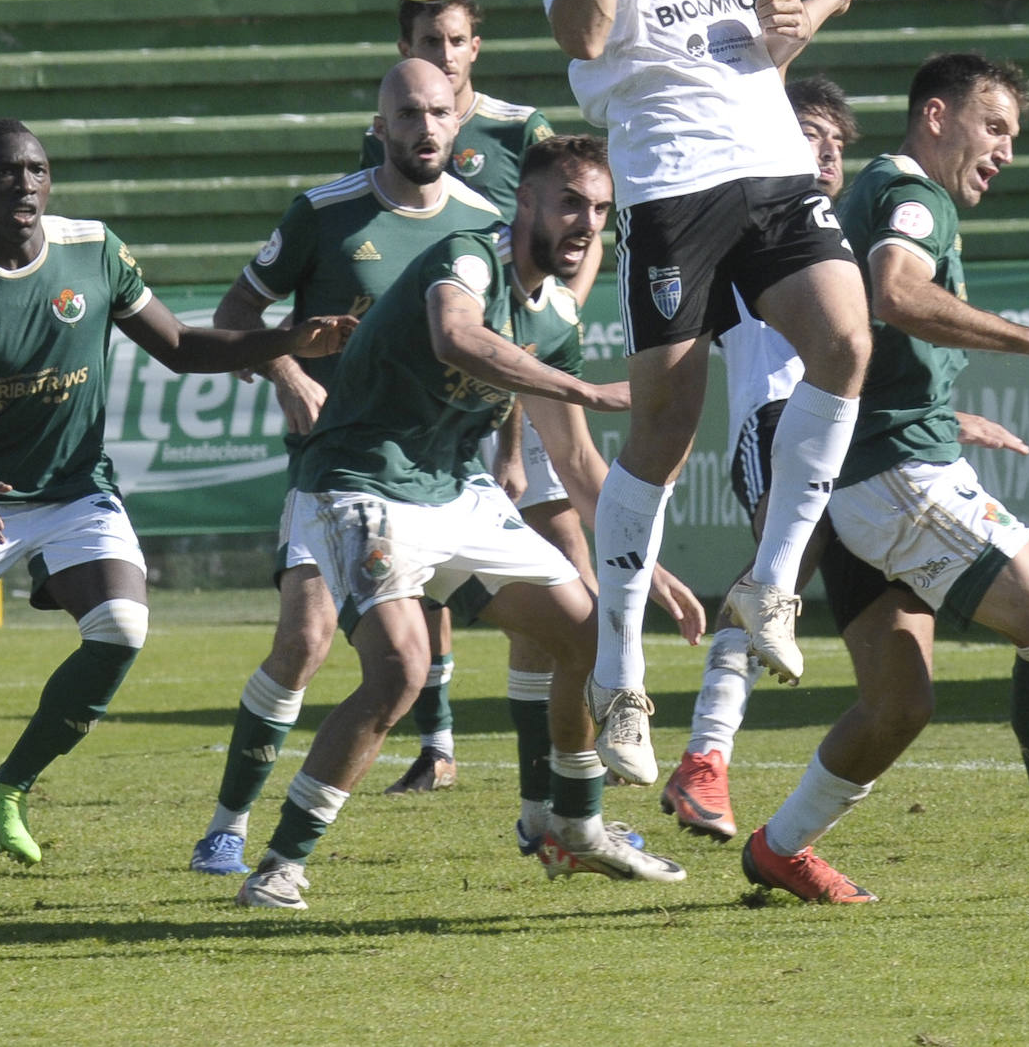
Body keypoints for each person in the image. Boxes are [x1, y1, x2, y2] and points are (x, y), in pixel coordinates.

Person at [0, 120, 356, 887]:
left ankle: (10, 785)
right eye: (5, 173)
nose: (24, 185)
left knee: (122, 628)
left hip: (74, 493)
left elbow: (183, 348)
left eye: (36, 170)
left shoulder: (94, 250)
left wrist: (290, 340)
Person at [741, 52, 1029, 913]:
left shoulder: (876, 188)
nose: (1006, 148)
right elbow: (895, 290)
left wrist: (944, 412)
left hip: (859, 468)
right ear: (936, 116)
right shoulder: (914, 195)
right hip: (896, 474)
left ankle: (779, 846)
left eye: (1013, 133)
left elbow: (872, 324)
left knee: (898, 702)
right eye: (995, 126)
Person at [525, 0, 875, 789]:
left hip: (768, 161)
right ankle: (621, 678)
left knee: (846, 345)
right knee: (665, 433)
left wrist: (782, 25)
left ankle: (770, 587)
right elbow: (586, 40)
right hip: (672, 183)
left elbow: (744, 48)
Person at [234, 133, 695, 910]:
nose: (587, 224)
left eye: (601, 210)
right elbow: (458, 334)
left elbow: (579, 466)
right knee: (400, 671)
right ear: (526, 204)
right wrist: (584, 391)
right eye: (570, 203)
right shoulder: (472, 255)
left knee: (585, 631)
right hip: (360, 483)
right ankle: (280, 863)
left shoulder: (553, 317)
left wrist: (643, 563)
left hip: (454, 491)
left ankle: (575, 829)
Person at [188, 57, 502, 874]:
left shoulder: (486, 224)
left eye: (437, 112)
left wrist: (513, 452)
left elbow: (506, 347)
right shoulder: (324, 214)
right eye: (406, 115)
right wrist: (288, 370)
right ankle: (228, 823)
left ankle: (565, 814)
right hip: (336, 472)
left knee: (556, 615)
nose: (423, 128)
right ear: (379, 126)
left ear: (457, 121)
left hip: (437, 477)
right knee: (303, 640)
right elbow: (235, 315)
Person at [359, 0, 606, 794]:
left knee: (566, 553)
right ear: (406, 48)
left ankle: (569, 772)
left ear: (477, 48)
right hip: (444, 373)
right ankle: (446, 743)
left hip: (522, 359)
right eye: (430, 40)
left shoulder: (519, 131)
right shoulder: (402, 128)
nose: (446, 52)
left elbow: (585, 214)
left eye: (457, 40)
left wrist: (561, 309)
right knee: (429, 571)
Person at [662, 74, 858, 839]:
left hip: (851, 427)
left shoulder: (830, 240)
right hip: (777, 420)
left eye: (838, 141)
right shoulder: (749, 224)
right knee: (774, 580)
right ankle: (705, 758)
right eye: (812, 132)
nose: (830, 149)